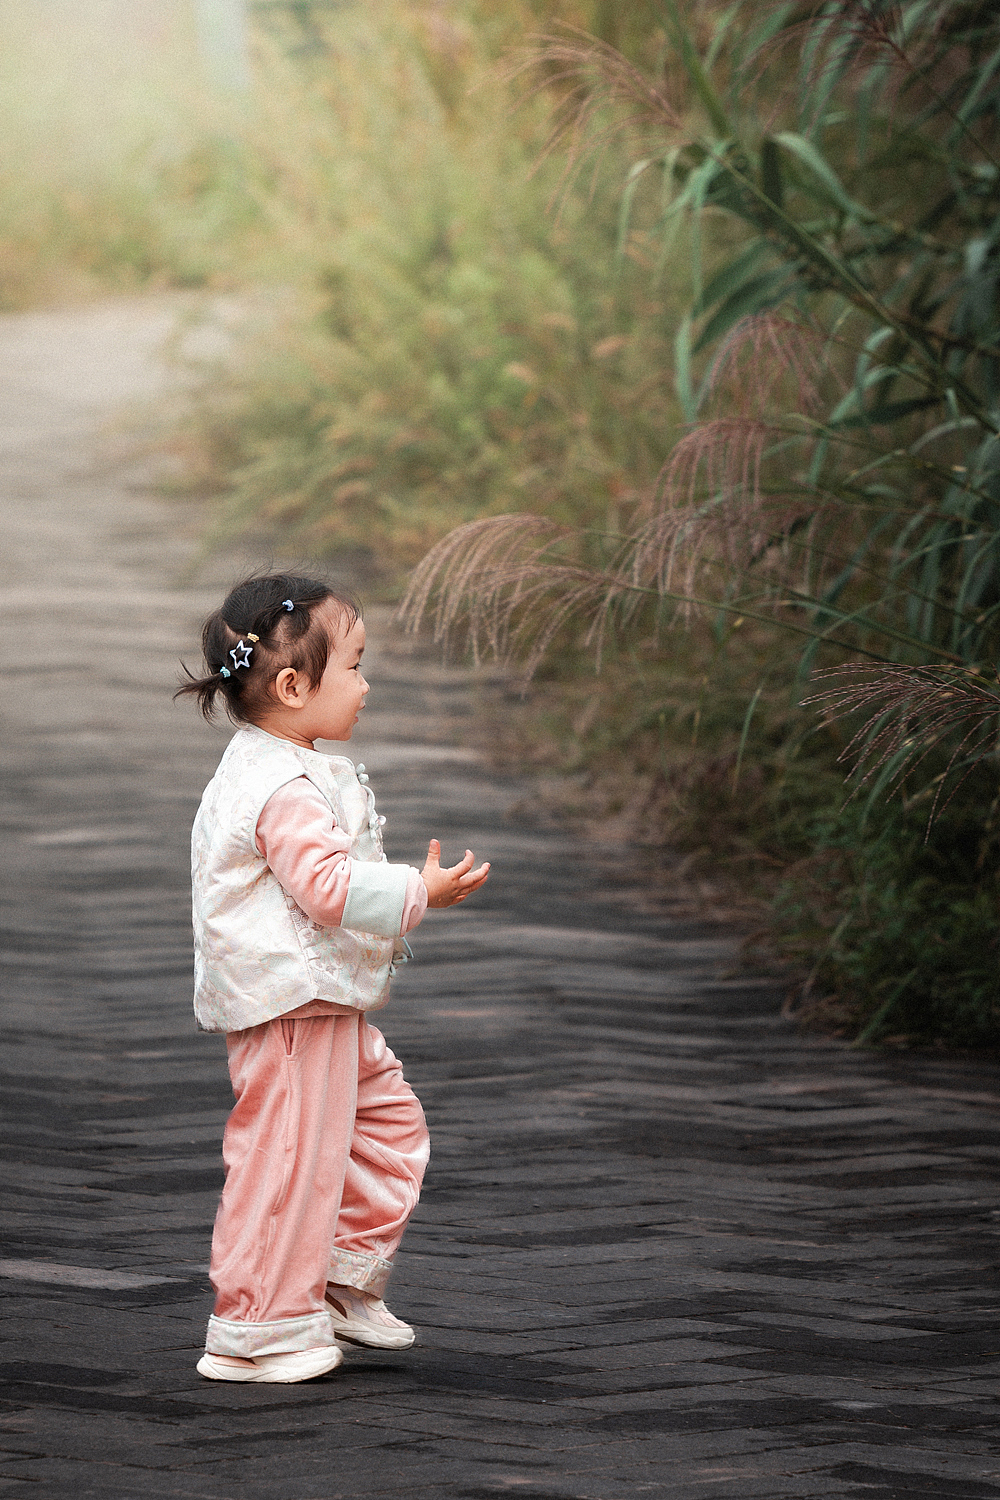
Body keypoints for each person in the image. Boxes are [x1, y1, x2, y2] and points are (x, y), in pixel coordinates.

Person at [176, 572, 489, 1384]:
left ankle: (339, 1280)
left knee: (385, 1128)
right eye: (353, 665)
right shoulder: (279, 783)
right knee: (284, 1162)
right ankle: (256, 1329)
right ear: (291, 685)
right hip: (290, 1007)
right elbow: (330, 888)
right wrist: (423, 892)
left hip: (324, 1001)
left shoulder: (290, 760)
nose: (365, 683)